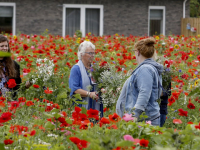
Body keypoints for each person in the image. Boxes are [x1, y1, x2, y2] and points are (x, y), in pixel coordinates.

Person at [116, 37, 163, 126]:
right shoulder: (150, 68)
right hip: (146, 118)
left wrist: (135, 114)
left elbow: (144, 92)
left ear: (138, 52)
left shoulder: (145, 69)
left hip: (144, 120)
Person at [69, 41, 103, 117]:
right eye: (90, 53)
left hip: (95, 106)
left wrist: (103, 89)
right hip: (82, 107)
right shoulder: (76, 69)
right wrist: (89, 94)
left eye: (93, 53)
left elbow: (100, 85)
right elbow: (74, 89)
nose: (93, 55)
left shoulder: (95, 69)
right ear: (82, 54)